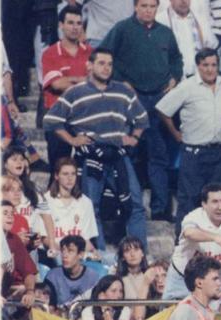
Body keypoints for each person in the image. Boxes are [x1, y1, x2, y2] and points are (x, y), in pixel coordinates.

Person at [42, 48, 150, 249]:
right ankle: (99, 256)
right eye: (101, 63)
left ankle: (140, 254)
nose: (106, 68)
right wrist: (72, 140)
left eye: (109, 64)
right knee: (91, 207)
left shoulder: (122, 91)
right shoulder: (75, 92)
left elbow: (142, 119)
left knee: (135, 205)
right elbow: (51, 120)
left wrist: (134, 136)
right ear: (89, 65)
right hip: (91, 156)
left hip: (118, 155)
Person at [103, 0, 184, 221]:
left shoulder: (165, 32)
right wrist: (121, 82)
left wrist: (174, 78)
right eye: (144, 5)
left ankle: (160, 209)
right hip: (132, 98)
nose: (148, 10)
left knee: (159, 155)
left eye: (152, 6)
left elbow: (177, 59)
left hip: (159, 100)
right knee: (131, 153)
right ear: (135, 7)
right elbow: (104, 55)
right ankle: (126, 206)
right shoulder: (122, 29)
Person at [156, 49, 221, 225]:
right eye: (205, 65)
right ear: (198, 66)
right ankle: (183, 245)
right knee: (189, 200)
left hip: (220, 153)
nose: (210, 69)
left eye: (214, 65)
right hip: (194, 153)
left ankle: (216, 245)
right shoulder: (187, 86)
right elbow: (163, 109)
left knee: (218, 200)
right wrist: (176, 133)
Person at [164, 183, 221, 299]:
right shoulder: (194, 217)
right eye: (214, 202)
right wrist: (215, 237)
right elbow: (189, 233)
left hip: (215, 280)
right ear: (204, 204)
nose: (220, 207)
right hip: (182, 278)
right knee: (171, 315)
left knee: (212, 317)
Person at [41, 5, 94, 165]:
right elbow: (57, 84)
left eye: (78, 23)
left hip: (85, 115)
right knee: (59, 167)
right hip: (59, 117)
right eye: (70, 23)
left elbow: (96, 82)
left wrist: (70, 80)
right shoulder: (50, 53)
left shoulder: (91, 52)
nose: (75, 27)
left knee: (88, 167)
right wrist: (83, 79)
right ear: (61, 25)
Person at [44, 235, 102, 308]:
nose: (64, 255)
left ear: (81, 254)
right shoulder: (52, 276)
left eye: (70, 251)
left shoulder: (93, 277)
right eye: (63, 251)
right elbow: (48, 307)